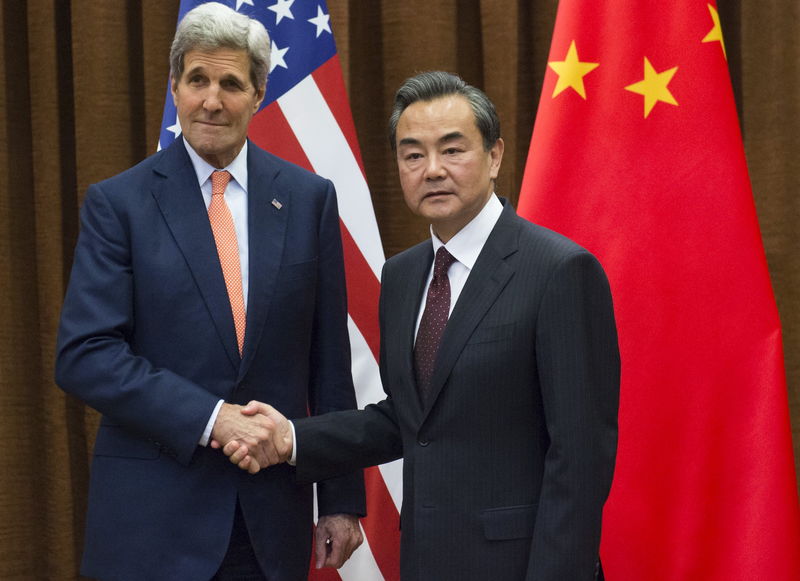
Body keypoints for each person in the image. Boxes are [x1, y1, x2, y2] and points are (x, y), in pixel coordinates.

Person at [224, 71, 621, 580]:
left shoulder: (559, 270)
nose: (432, 170)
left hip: (521, 565)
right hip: (425, 560)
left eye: (452, 150)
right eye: (413, 155)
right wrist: (289, 438)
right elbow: (409, 419)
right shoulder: (405, 273)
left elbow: (580, 458)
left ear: (495, 156)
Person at [54, 3, 364, 580]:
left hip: (269, 522)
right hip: (153, 523)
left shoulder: (308, 199)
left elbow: (328, 361)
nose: (212, 101)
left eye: (231, 83)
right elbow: (85, 355)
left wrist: (342, 498)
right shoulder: (118, 204)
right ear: (175, 87)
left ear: (259, 93)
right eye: (197, 80)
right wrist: (212, 418)